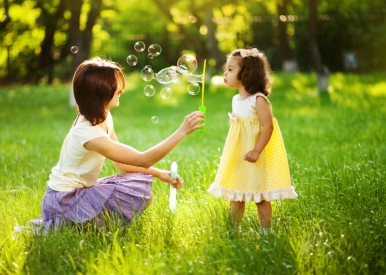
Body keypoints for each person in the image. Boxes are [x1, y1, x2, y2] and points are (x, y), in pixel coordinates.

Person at [41, 57, 204, 231]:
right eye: (114, 86)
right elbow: (143, 159)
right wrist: (181, 132)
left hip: (79, 191)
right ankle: (79, 228)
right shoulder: (88, 132)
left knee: (140, 192)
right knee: (136, 196)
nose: (121, 90)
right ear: (99, 93)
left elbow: (120, 163)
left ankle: (94, 227)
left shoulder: (102, 115)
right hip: (64, 201)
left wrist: (158, 173)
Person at [208, 47, 298, 235]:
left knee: (260, 197)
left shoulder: (258, 100)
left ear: (246, 73)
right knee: (236, 195)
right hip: (239, 155)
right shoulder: (235, 99)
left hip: (254, 155)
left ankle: (266, 233)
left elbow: (268, 127)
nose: (226, 73)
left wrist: (256, 150)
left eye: (231, 69)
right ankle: (234, 230)